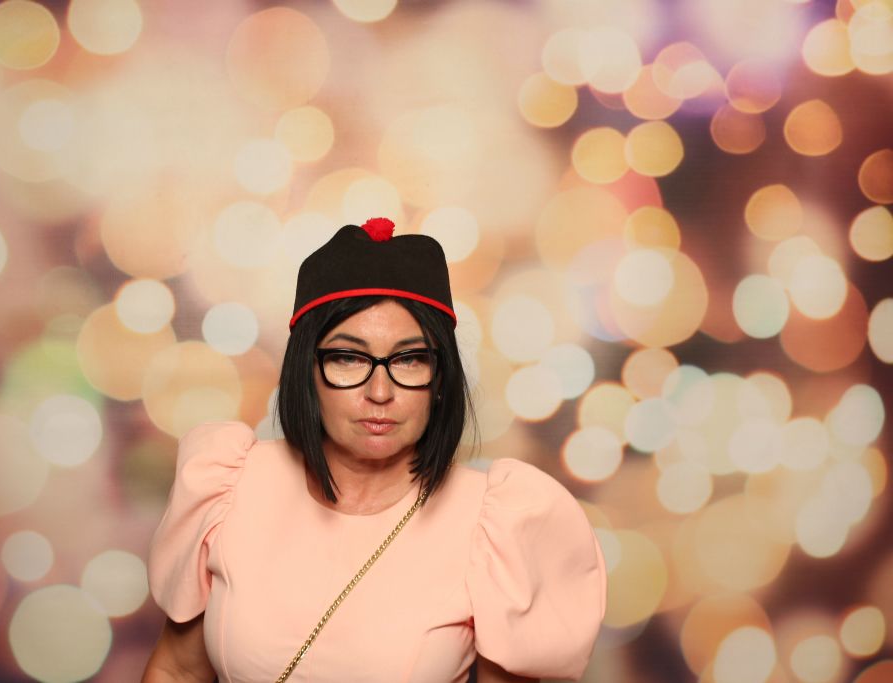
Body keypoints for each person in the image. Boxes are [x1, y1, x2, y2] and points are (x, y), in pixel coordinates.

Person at [142, 218, 606, 683]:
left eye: (410, 359)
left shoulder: (495, 524)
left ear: (439, 377)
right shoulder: (232, 483)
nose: (380, 392)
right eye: (348, 358)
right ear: (307, 369)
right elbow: (178, 672)